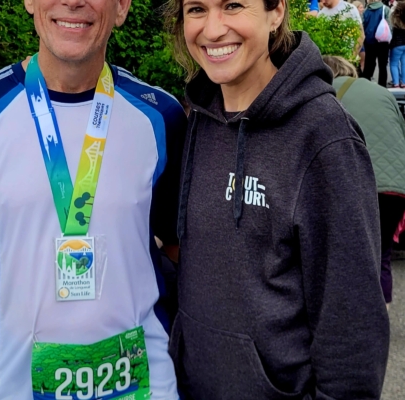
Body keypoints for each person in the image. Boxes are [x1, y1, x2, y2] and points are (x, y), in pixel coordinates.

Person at [0, 0, 187, 398]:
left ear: (122, 6)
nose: (73, 2)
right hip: (12, 387)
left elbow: (183, 251)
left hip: (141, 386)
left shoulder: (162, 116)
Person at [165, 0, 389, 398]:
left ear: (277, 12)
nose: (212, 29)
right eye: (196, 9)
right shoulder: (197, 118)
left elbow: (352, 327)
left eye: (233, 5)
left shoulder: (323, 136)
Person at [323, 55, 405, 310]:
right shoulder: (381, 92)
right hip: (396, 187)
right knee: (381, 255)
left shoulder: (324, 93)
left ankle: (350, 316)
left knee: (345, 254)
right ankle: (381, 318)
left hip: (357, 183)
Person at [362, 0, 392, 86]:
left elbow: (362, 25)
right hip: (383, 41)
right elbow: (390, 25)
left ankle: (366, 84)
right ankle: (382, 85)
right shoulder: (385, 9)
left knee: (369, 64)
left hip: (369, 41)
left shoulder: (366, 11)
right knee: (383, 66)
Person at [390, 0, 405, 86]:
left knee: (394, 63)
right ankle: (403, 82)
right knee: (404, 63)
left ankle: (396, 82)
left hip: (396, 44)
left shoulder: (395, 18)